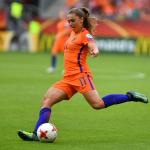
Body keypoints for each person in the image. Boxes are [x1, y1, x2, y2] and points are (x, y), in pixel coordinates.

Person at [17, 7, 148, 141]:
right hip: (67, 78)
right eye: (68, 21)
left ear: (81, 19)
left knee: (98, 104)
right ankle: (35, 134)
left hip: (81, 77)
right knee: (46, 101)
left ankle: (129, 96)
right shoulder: (72, 32)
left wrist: (95, 50)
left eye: (73, 21)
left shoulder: (85, 34)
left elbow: (92, 45)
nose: (70, 23)